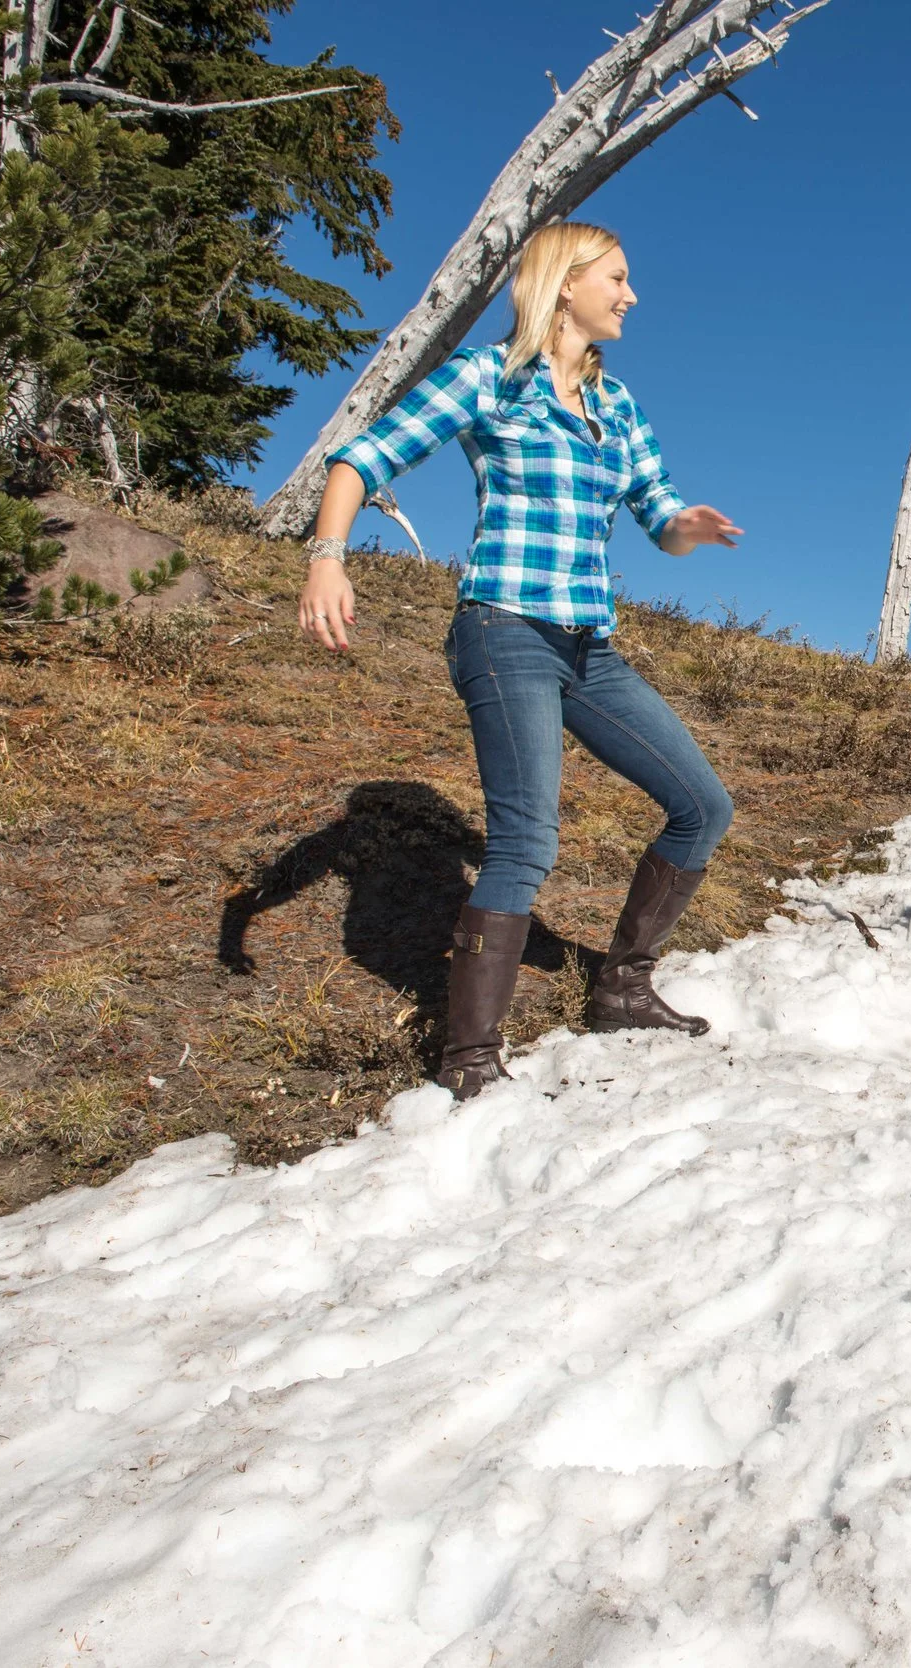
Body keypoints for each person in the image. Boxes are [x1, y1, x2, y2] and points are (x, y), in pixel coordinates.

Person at [297, 222, 743, 1099]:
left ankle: (619, 986)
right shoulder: (488, 377)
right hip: (504, 631)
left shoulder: (618, 407)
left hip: (588, 646)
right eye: (617, 277)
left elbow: (657, 513)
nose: (631, 295)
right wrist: (327, 555)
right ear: (564, 282)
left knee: (702, 805)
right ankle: (468, 1059)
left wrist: (684, 528)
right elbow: (361, 456)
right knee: (527, 839)